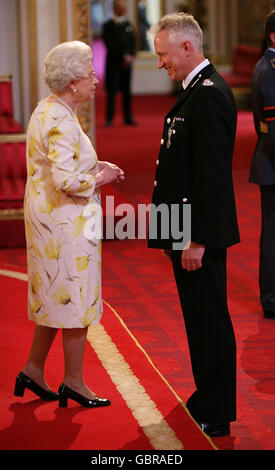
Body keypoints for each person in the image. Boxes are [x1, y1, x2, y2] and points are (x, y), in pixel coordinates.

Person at [14, 40, 124, 408]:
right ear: (72, 82)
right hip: (64, 226)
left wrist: (93, 167)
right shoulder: (60, 119)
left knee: (53, 296)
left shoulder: (48, 110)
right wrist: (102, 177)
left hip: (49, 219)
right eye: (90, 75)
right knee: (75, 301)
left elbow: (59, 168)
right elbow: (67, 181)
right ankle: (74, 382)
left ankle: (32, 369)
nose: (95, 81)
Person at [147, 13, 240, 437]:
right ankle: (206, 395)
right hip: (183, 227)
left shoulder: (209, 94)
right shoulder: (193, 92)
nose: (161, 63)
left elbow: (212, 176)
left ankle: (217, 410)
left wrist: (195, 239)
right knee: (198, 319)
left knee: (209, 320)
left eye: (164, 55)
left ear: (188, 48)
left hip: (196, 233)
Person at [249, 10, 275, 320]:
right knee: (272, 236)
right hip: (272, 161)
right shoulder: (270, 69)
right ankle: (271, 299)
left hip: (269, 160)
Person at [103, 0, 137, 126]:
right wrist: (123, 56)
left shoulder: (128, 24)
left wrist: (130, 56)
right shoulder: (108, 25)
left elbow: (132, 41)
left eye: (123, 7)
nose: (122, 9)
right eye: (119, 7)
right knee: (112, 92)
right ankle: (109, 118)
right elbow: (109, 44)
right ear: (114, 9)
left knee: (127, 91)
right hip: (113, 63)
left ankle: (128, 118)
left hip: (126, 64)